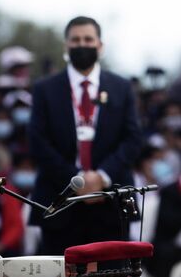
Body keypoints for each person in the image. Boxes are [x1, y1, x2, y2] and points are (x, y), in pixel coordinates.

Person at [28, 16, 142, 257]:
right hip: (60, 204)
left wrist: (101, 177)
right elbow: (38, 142)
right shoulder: (44, 89)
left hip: (112, 203)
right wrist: (77, 181)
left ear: (100, 45)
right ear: (66, 46)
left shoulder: (122, 87)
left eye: (88, 39)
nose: (82, 45)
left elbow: (132, 139)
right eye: (76, 40)